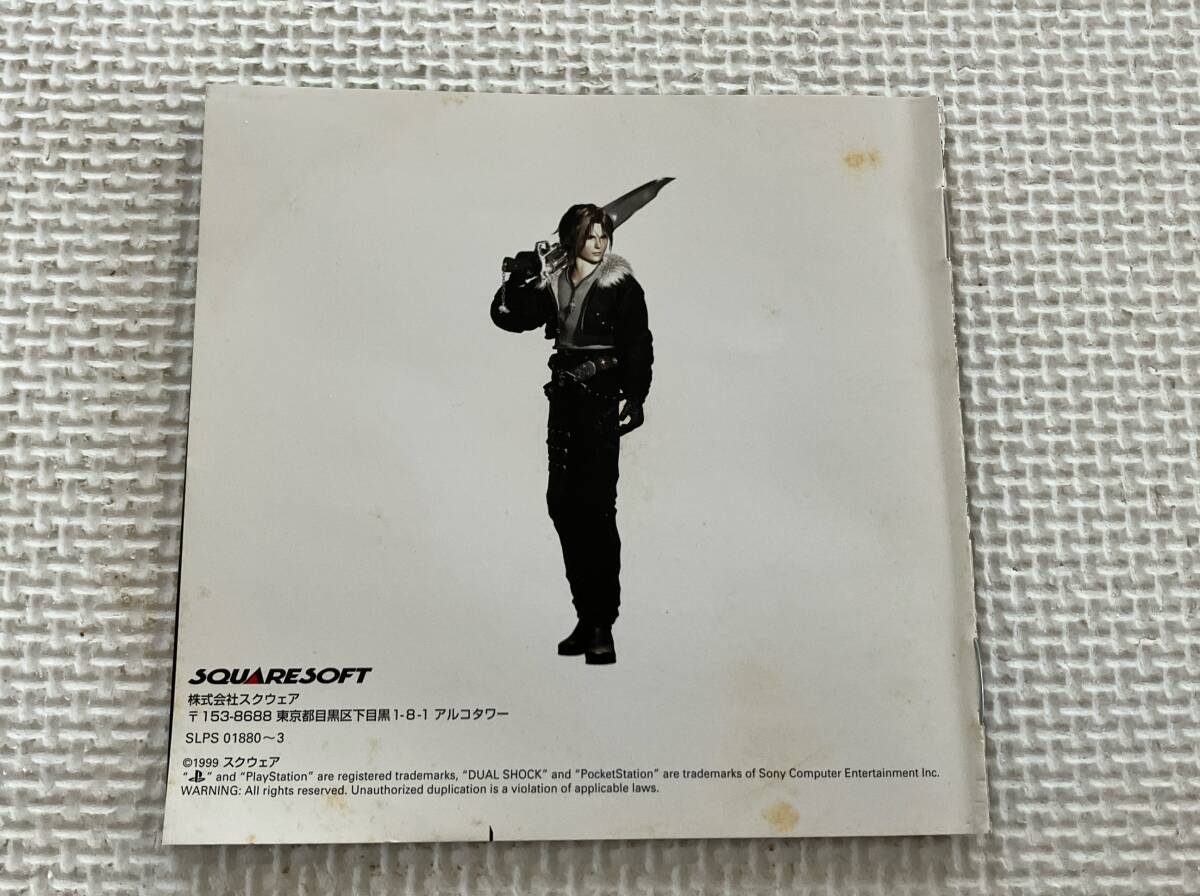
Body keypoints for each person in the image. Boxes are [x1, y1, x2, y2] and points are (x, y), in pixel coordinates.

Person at [490, 203, 653, 665]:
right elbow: (510, 318)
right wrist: (518, 279)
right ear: (571, 240)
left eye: (604, 236)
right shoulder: (553, 281)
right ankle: (585, 616)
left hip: (601, 400)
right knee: (562, 504)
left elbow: (638, 342)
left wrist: (635, 394)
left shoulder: (621, 285)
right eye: (590, 236)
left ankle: (602, 624)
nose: (599, 244)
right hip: (563, 401)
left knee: (596, 508)